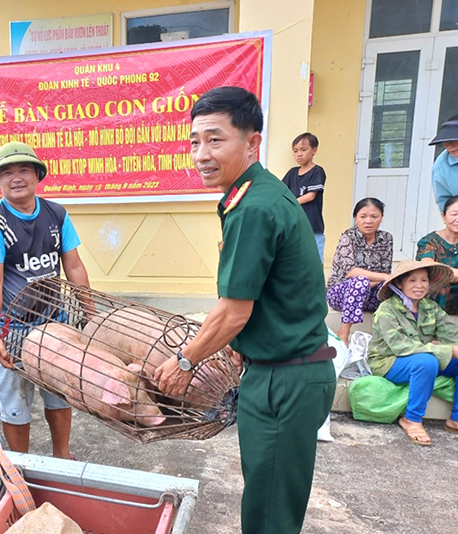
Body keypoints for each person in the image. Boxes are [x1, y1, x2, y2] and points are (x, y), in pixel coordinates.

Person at [154, 86, 335, 534]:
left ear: (252, 142)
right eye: (194, 141)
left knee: (270, 515)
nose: (200, 153)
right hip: (277, 368)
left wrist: (184, 362)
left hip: (285, 379)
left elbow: (233, 311)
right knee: (265, 500)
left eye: (215, 139)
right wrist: (237, 345)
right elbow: (262, 295)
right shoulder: (256, 195)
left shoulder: (253, 207)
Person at [0, 141, 91, 458]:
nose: (16, 178)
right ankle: (20, 463)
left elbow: (74, 266)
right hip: (15, 330)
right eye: (6, 172)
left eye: (24, 169)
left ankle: (62, 455)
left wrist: (91, 316)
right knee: (15, 401)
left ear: (38, 175)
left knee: (59, 394)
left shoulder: (57, 214)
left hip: (56, 324)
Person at [368, 261, 458, 445]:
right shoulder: (387, 310)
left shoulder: (430, 308)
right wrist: (447, 350)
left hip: (424, 358)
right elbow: (401, 346)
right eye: (412, 280)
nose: (419, 285)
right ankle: (411, 419)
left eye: (423, 280)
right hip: (389, 362)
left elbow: (452, 332)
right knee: (427, 361)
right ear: (399, 284)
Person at [326, 198, 392, 345]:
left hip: (370, 292)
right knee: (359, 281)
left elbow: (386, 273)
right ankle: (343, 333)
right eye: (363, 216)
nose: (368, 221)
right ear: (355, 218)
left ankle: (389, 335)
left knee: (394, 285)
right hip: (340, 294)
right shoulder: (348, 237)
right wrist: (369, 283)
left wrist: (368, 287)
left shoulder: (386, 238)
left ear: (381, 218)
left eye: (374, 216)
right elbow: (351, 272)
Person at [416, 195, 458, 324]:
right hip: (431, 297)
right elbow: (428, 265)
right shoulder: (429, 241)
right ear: (444, 216)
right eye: (454, 214)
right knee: (440, 279)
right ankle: (433, 332)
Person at [282, 132, 326, 261]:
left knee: (315, 261)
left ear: (314, 150)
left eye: (303, 149)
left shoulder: (317, 171)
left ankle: (316, 282)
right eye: (295, 151)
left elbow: (311, 196)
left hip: (312, 225)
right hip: (294, 226)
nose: (299, 154)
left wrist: (291, 202)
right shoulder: (292, 173)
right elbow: (281, 192)